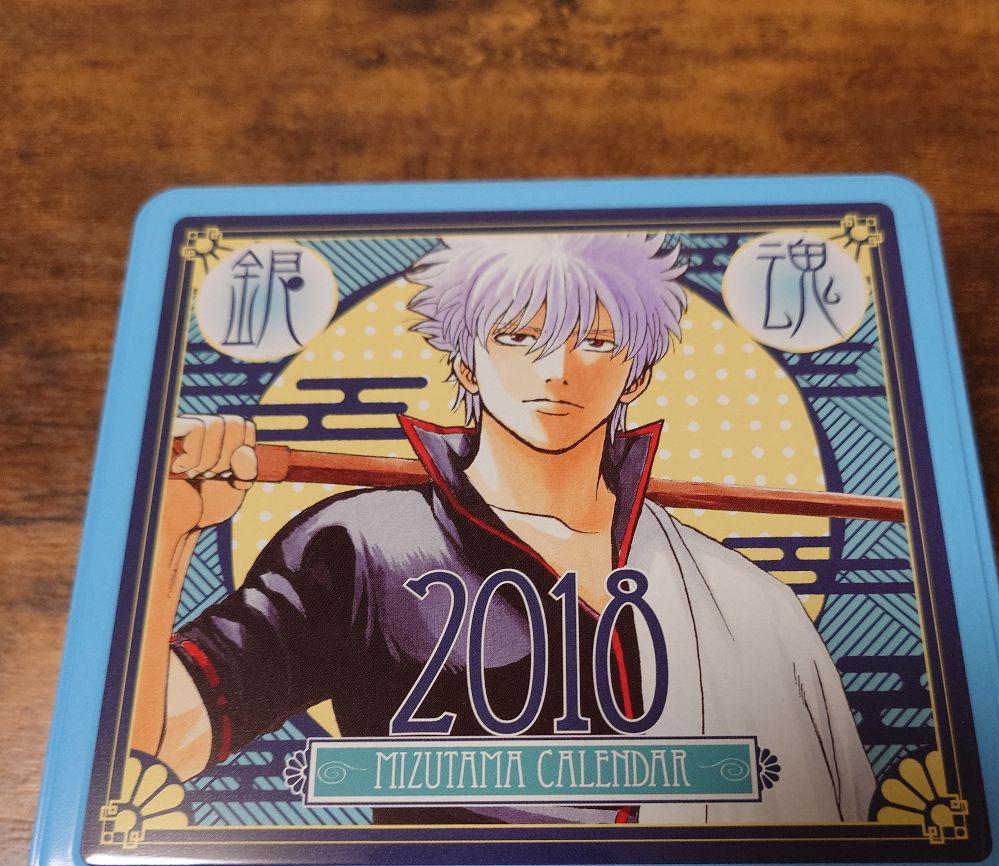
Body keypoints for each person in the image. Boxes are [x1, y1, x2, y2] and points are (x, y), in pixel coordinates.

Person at [132, 232, 875, 824]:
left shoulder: (740, 599)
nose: (557, 370)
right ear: (467, 361)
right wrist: (168, 535)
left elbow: (842, 828)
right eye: (518, 336)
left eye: (596, 341)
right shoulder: (357, 547)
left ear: (637, 372)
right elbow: (150, 747)